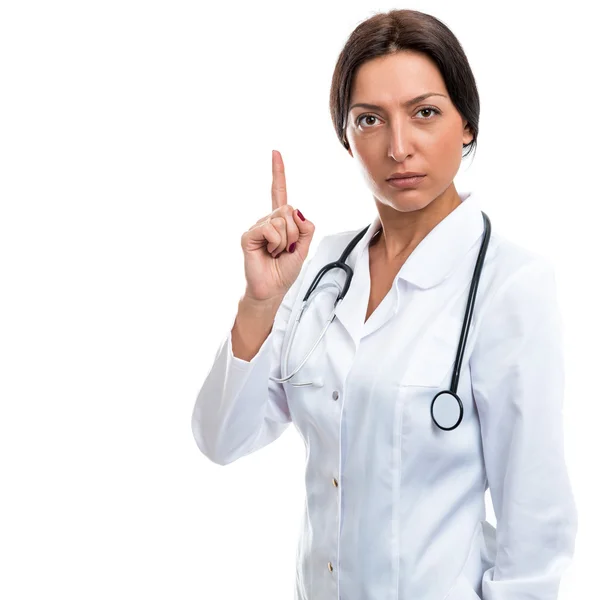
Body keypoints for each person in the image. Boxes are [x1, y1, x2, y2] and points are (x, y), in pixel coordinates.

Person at [191, 9, 578, 600]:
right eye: (369, 119)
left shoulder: (509, 284)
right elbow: (222, 440)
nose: (398, 148)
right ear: (347, 138)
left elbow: (535, 531)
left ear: (466, 125)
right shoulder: (320, 266)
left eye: (425, 112)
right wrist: (260, 302)